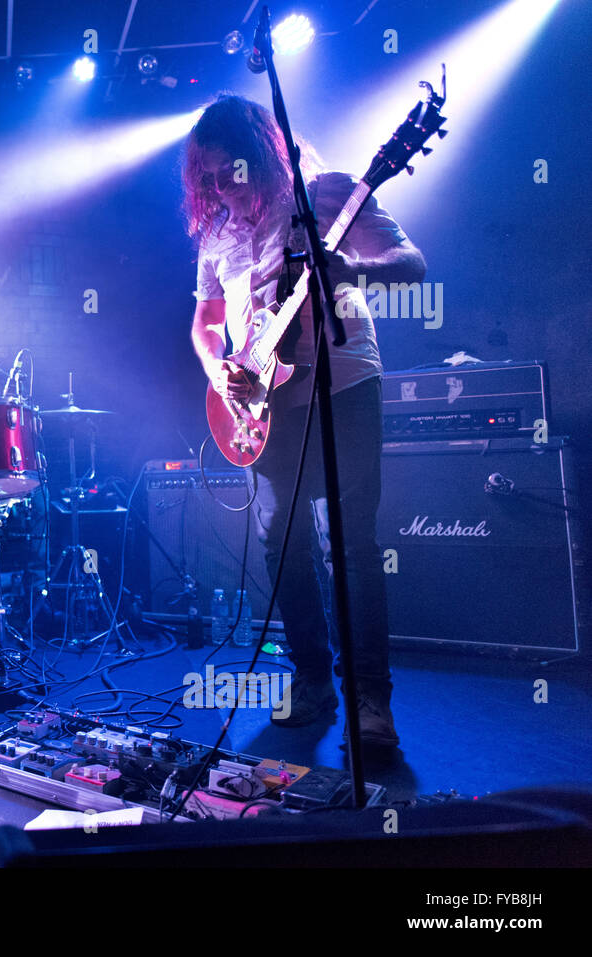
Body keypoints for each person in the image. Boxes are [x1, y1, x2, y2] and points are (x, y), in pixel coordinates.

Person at [183, 94, 426, 749]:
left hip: (344, 380)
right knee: (279, 544)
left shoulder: (329, 196)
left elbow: (413, 267)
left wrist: (353, 269)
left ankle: (371, 700)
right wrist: (224, 372)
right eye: (201, 176)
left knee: (350, 543)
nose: (212, 186)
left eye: (221, 170)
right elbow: (206, 326)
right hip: (268, 399)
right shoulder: (216, 238)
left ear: (256, 152)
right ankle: (313, 680)